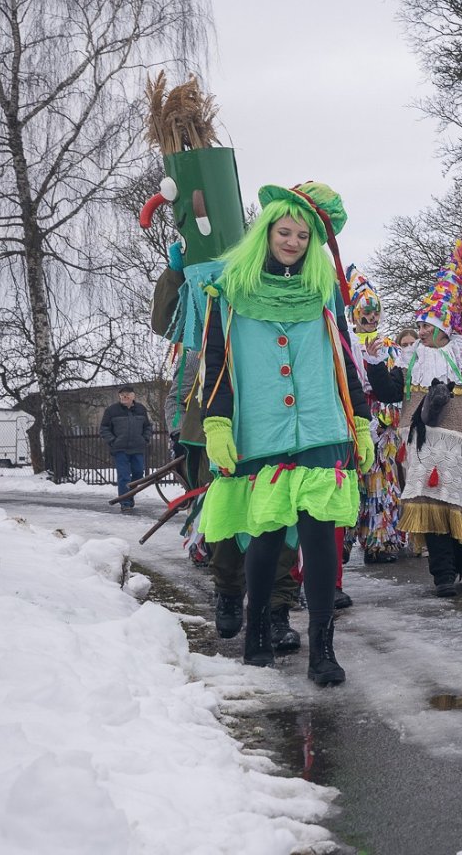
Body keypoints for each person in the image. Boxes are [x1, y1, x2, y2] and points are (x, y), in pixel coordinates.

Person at [198, 181, 372, 686]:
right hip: (262, 430)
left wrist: (360, 421)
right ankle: (256, 636)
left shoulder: (324, 293)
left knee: (320, 540)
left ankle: (323, 650)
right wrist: (216, 422)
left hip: (321, 427)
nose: (293, 241)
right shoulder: (229, 290)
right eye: (284, 232)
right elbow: (216, 364)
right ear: (266, 232)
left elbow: (345, 362)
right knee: (267, 537)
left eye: (302, 235)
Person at [152, 249, 299, 651]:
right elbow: (167, 323)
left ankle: (277, 611)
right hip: (215, 432)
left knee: (280, 518)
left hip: (275, 426)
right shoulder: (206, 307)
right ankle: (230, 592)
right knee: (227, 519)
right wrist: (176, 274)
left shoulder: (274, 293)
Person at [365, 225, 462, 597]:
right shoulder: (412, 360)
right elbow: (388, 391)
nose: (420, 332)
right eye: (419, 326)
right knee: (433, 507)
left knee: (460, 507)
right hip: (425, 447)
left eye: (427, 326)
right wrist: (374, 364)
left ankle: (456, 565)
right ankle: (443, 575)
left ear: (444, 328)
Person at [346, 264, 407, 565]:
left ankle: (378, 542)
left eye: (375, 312)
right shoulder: (343, 342)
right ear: (353, 314)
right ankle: (341, 540)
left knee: (380, 486)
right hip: (349, 423)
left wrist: (386, 421)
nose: (371, 318)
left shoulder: (390, 348)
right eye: (365, 312)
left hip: (380, 428)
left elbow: (395, 387)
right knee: (348, 482)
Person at [99, 385, 154, 512]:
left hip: (138, 448)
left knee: (138, 473)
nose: (125, 396)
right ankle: (125, 502)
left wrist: (145, 439)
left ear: (133, 396)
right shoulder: (111, 410)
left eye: (127, 394)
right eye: (122, 394)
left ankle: (130, 495)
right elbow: (104, 428)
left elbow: (147, 426)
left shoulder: (141, 409)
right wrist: (113, 441)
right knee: (124, 476)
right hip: (120, 449)